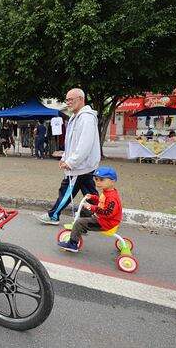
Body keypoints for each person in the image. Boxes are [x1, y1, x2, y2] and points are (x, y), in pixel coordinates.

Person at [39, 88, 100, 225]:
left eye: (70, 99)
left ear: (81, 99)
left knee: (66, 190)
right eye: (67, 100)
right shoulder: (75, 117)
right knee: (90, 193)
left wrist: (71, 162)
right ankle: (101, 215)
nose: (68, 103)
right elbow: (71, 142)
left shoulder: (86, 118)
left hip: (80, 166)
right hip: (83, 165)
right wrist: (64, 158)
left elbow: (85, 144)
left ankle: (54, 215)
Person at [57, 166, 123, 252]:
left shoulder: (112, 198)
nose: (98, 182)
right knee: (84, 210)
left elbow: (107, 212)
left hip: (105, 223)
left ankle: (73, 244)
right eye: (96, 179)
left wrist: (92, 207)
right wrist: (92, 197)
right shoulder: (108, 191)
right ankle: (81, 230)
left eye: (102, 180)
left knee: (79, 222)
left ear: (112, 181)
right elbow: (101, 201)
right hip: (103, 218)